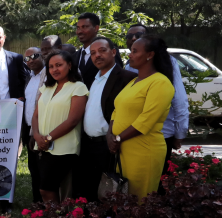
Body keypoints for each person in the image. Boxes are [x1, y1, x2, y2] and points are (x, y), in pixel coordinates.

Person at [108, 35, 175, 200]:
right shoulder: (134, 81)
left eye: (134, 51)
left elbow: (146, 120)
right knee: (124, 200)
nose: (130, 55)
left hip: (144, 151)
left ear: (149, 55)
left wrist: (117, 138)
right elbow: (116, 110)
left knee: (139, 202)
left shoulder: (160, 83)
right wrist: (110, 135)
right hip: (123, 149)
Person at [124, 24, 189, 188]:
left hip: (158, 136)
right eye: (129, 36)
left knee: (152, 188)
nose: (133, 38)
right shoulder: (128, 65)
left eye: (138, 35)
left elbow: (179, 100)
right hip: (128, 140)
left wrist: (180, 132)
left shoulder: (166, 65)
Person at [73, 38, 136, 201]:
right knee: (89, 189)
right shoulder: (94, 78)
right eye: (93, 53)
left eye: (102, 50)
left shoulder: (126, 78)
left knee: (108, 191)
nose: (97, 56)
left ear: (113, 52)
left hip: (108, 145)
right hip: (88, 144)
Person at [32, 50, 89, 202]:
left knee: (47, 188)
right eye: (51, 66)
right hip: (43, 146)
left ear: (69, 65)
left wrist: (48, 138)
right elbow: (36, 115)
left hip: (64, 148)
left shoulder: (78, 87)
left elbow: (73, 120)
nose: (54, 69)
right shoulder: (47, 88)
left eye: (59, 65)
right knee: (46, 188)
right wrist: (37, 136)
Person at [73, 13, 123, 88]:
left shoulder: (108, 52)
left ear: (96, 28)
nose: (79, 31)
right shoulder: (74, 56)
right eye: (78, 28)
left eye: (84, 27)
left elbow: (116, 77)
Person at [23, 47, 46, 202]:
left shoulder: (48, 76)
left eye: (34, 56)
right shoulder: (29, 77)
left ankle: (47, 206)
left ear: (42, 55)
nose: (30, 60)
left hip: (42, 131)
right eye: (27, 59)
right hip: (28, 130)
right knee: (33, 169)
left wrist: (34, 132)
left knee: (43, 170)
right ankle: (36, 202)